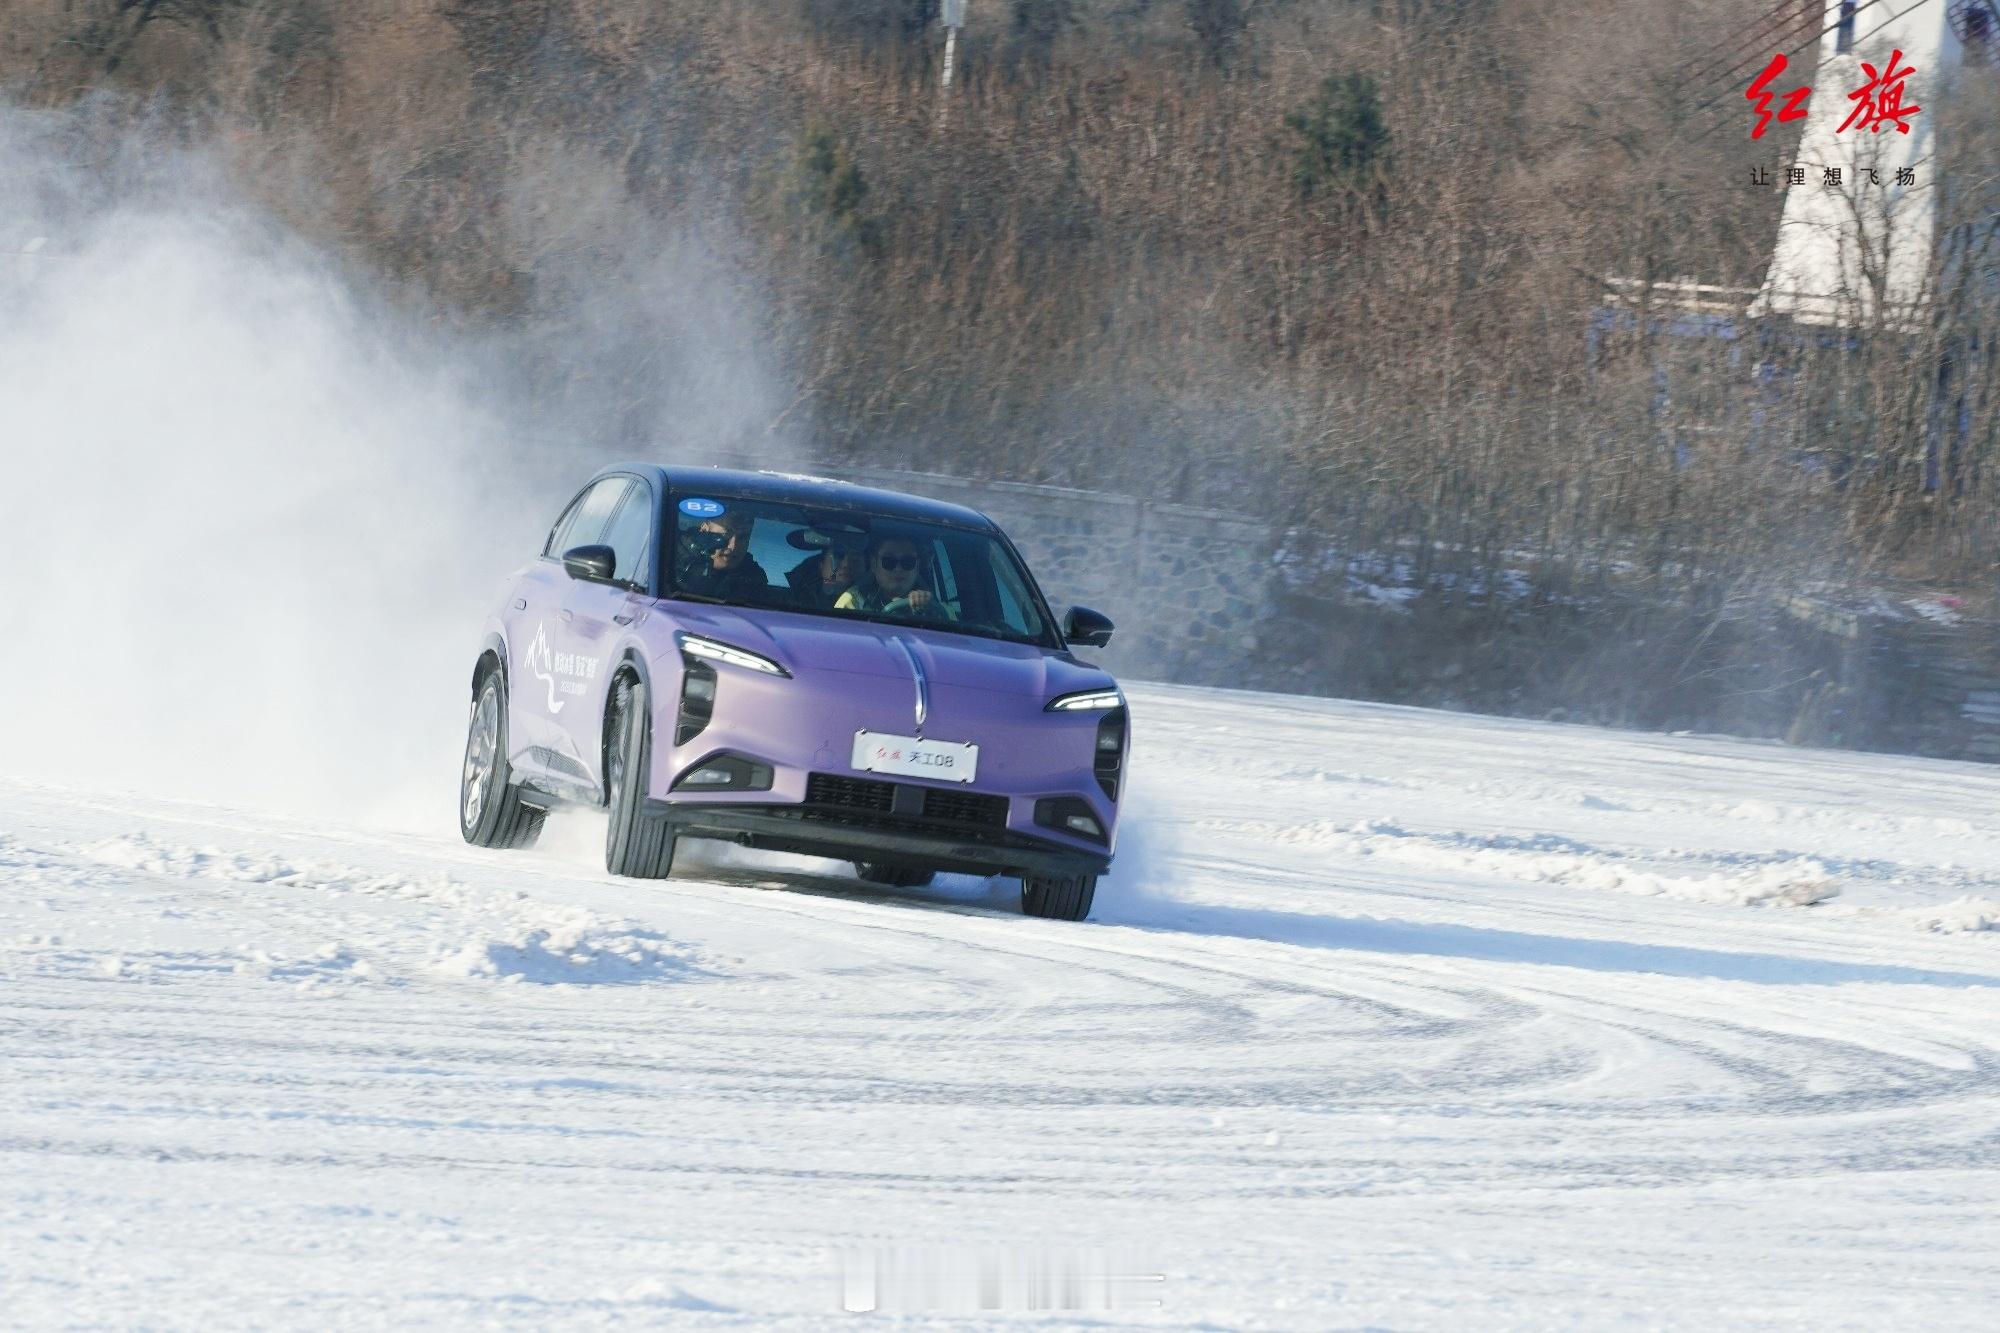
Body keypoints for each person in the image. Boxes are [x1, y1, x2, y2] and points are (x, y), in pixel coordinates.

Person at [835, 535, 955, 620]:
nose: (898, 568)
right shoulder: (850, 604)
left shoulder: (939, 610)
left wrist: (930, 611)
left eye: (908, 561)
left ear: (917, 567)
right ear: (874, 565)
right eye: (889, 561)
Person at [677, 510, 768, 600]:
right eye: (726, 534)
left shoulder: (754, 579)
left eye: (743, 537)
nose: (733, 546)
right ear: (704, 530)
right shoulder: (670, 560)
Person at [785, 538, 861, 610]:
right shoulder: (790, 603)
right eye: (838, 557)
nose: (846, 564)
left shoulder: (868, 603)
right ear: (821, 566)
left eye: (855, 559)